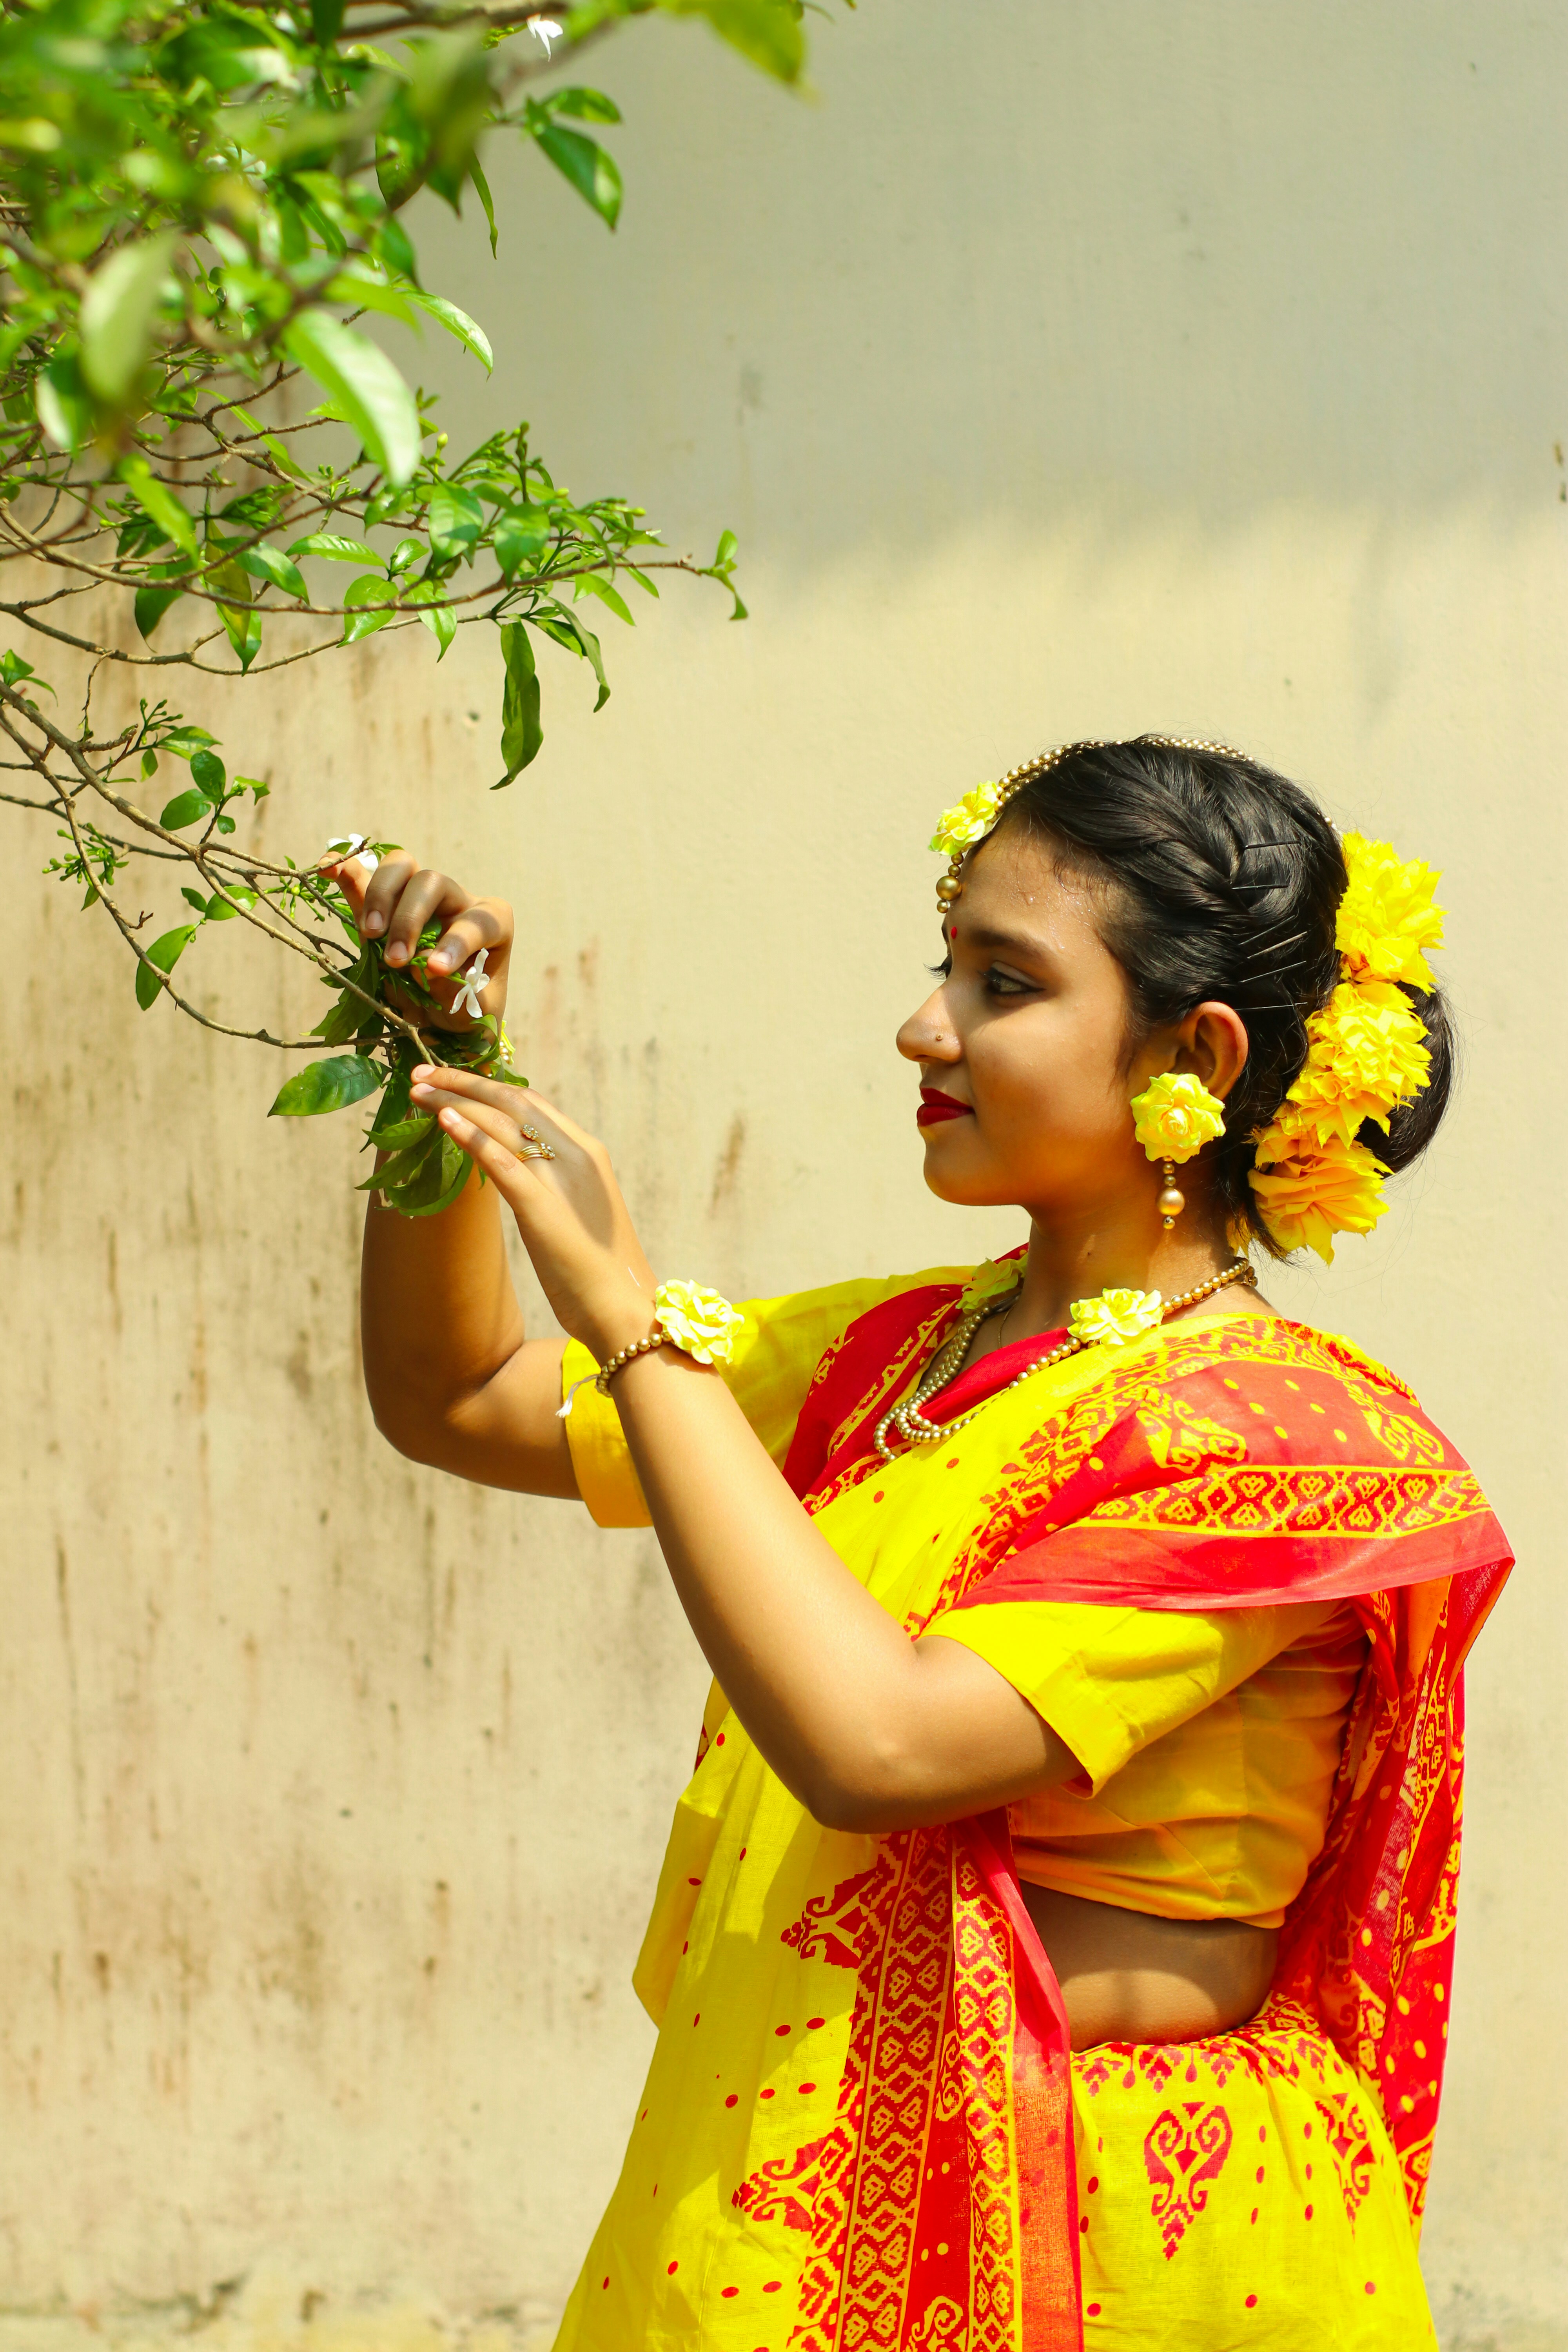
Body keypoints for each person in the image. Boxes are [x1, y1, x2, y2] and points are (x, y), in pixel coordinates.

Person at [347, 737, 1510, 2352]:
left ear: (1199, 1051)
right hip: (791, 2176)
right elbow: (456, 1394)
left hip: (1108, 2236)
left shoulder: (1277, 1442)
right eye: (941, 960)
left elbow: (878, 1745)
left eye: (1004, 982)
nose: (923, 1026)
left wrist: (628, 1320)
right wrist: (432, 1080)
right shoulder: (897, 1358)